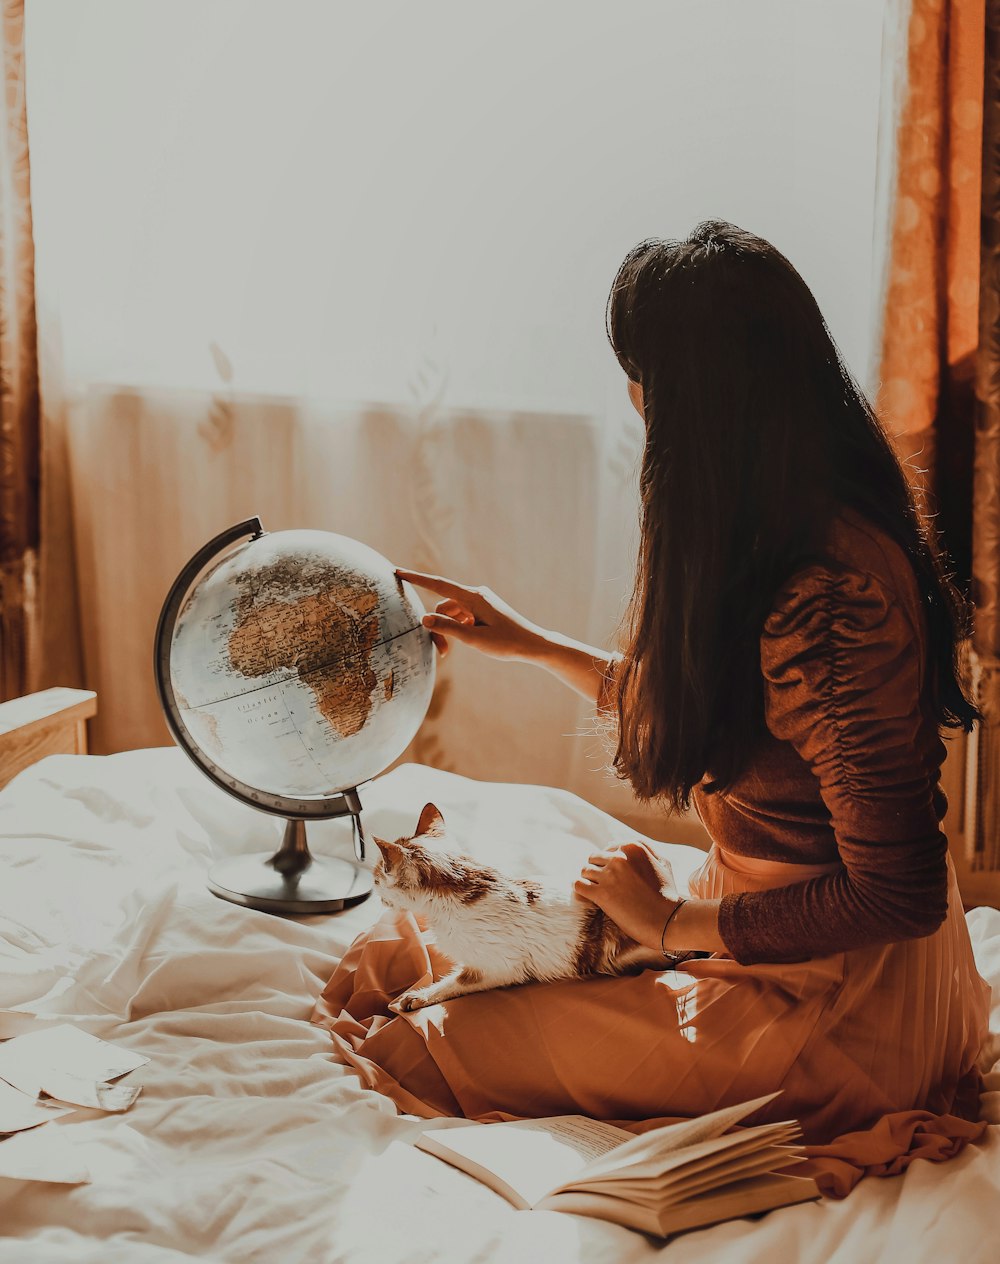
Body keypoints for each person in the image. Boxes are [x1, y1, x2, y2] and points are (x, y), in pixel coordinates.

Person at [313, 220, 992, 1196]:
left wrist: (670, 923)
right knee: (402, 949)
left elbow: (896, 894)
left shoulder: (827, 598)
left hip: (834, 1001)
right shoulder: (793, 518)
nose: (634, 404)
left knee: (425, 1046)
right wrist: (534, 643)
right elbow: (745, 722)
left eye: (640, 380)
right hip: (770, 928)